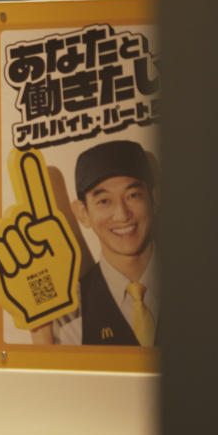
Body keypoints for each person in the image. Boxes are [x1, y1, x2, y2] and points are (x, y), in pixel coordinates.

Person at [53, 139, 158, 346]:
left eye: (133, 195)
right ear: (83, 213)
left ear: (154, 199)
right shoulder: (69, 312)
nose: (122, 214)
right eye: (104, 201)